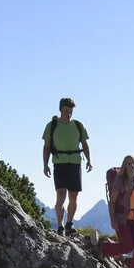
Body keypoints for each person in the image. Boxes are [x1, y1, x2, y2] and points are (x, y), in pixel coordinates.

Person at [40, 97, 92, 235]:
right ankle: (60, 226)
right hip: (59, 162)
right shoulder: (51, 126)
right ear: (60, 110)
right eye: (66, 111)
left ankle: (69, 223)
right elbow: (46, 147)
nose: (68, 114)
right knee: (61, 194)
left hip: (75, 162)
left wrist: (89, 161)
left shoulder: (78, 125)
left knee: (73, 196)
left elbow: (85, 145)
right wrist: (45, 165)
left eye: (70, 111)